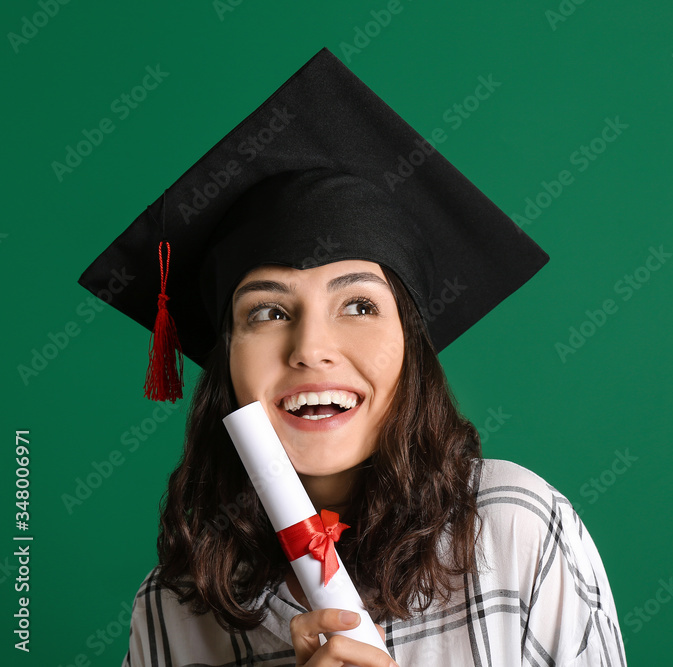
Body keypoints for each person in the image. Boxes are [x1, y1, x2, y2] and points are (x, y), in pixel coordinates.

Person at [79, 48, 626, 666]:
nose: (310, 348)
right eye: (267, 312)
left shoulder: (516, 531)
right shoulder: (174, 611)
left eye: (360, 306)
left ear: (411, 344)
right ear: (226, 360)